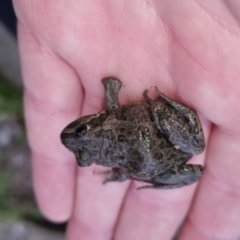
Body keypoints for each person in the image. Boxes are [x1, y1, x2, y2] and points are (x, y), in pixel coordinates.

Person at [13, 1, 240, 239]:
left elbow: (122, 172)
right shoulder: (109, 116)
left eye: (81, 135)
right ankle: (161, 112)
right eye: (83, 155)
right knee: (176, 131)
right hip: (161, 150)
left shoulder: (112, 159)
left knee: (169, 154)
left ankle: (157, 163)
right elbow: (111, 82)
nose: (80, 145)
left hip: (158, 164)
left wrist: (121, 175)